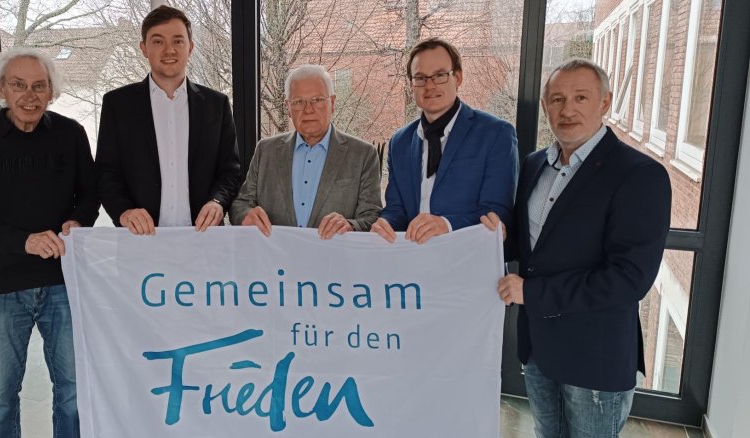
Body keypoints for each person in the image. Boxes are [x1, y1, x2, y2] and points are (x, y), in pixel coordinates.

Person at [482, 59, 671, 438]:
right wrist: (499, 237)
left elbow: (629, 278)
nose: (567, 110)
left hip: (595, 357)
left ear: (605, 102)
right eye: (557, 99)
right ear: (545, 107)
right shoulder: (534, 164)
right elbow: (534, 245)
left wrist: (531, 293)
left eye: (580, 97)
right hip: (539, 349)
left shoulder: (639, 175)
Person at [0, 47, 99, 438]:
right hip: (0, 288)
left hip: (64, 284)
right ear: (2, 89)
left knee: (74, 393)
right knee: (0, 400)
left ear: (51, 91)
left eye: (39, 86)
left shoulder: (71, 134)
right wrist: (24, 242)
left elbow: (90, 194)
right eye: (18, 85)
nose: (29, 96)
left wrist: (78, 220)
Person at [95, 5, 240, 234]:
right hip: (139, 239)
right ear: (144, 48)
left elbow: (230, 171)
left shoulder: (217, 105)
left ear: (190, 47)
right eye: (158, 41)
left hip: (204, 238)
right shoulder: (117, 104)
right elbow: (106, 172)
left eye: (178, 41)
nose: (169, 50)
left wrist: (218, 202)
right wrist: (124, 211)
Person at [371, 37, 518, 244]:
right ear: (411, 85)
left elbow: (497, 214)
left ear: (458, 78)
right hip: (411, 258)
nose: (429, 86)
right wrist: (385, 223)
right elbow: (396, 209)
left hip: (466, 257)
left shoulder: (496, 134)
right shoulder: (399, 142)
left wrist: (447, 225)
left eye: (440, 75)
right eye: (420, 78)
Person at [230, 65, 381, 238]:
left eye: (317, 100)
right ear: (288, 107)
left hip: (333, 253)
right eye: (299, 102)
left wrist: (351, 226)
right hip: (276, 254)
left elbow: (372, 216)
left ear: (332, 103)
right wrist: (245, 215)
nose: (308, 109)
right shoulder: (266, 151)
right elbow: (240, 205)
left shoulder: (363, 154)